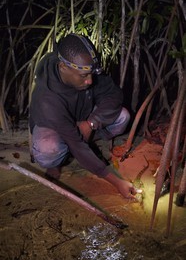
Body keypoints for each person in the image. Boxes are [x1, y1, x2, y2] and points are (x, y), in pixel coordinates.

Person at [29, 33, 136, 199]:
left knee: (123, 116)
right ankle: (56, 163)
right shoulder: (46, 98)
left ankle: (89, 138)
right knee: (48, 148)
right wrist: (117, 182)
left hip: (84, 118)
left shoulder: (86, 69)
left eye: (91, 74)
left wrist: (91, 123)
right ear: (63, 67)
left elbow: (114, 94)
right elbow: (76, 143)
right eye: (84, 76)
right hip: (55, 127)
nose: (90, 81)